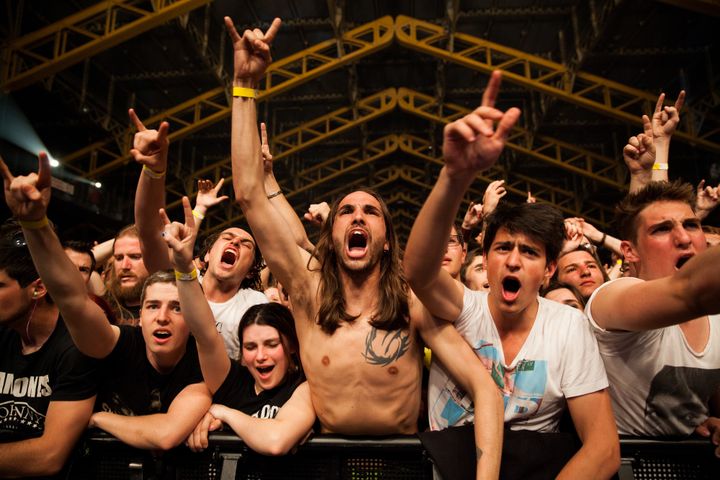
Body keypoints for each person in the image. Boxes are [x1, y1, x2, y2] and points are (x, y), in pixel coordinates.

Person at [226, 16, 502, 478]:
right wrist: (243, 87)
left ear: (388, 242)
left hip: (402, 462)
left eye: (370, 212)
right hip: (323, 459)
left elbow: (484, 389)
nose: (357, 217)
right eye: (346, 212)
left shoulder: (411, 303)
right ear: (331, 237)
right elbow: (249, 194)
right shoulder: (306, 290)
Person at [403, 70, 619, 478]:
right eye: (503, 248)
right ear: (486, 257)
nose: (514, 261)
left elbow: (604, 449)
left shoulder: (568, 328)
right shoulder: (463, 308)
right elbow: (417, 270)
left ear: (550, 269)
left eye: (530, 252)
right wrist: (454, 177)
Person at [0, 153, 211, 451]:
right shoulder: (120, 342)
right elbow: (71, 297)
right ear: (140, 316)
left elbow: (165, 434)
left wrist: (99, 418)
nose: (162, 317)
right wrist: (35, 224)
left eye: (177, 307)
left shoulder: (199, 365)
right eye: (152, 306)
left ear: (194, 318)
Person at [158, 201, 309, 455]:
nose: (260, 354)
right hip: (178, 399)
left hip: (213, 397)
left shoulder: (301, 387)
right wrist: (184, 264)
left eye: (271, 344)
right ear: (206, 254)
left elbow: (275, 442)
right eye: (250, 346)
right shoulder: (172, 293)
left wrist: (221, 411)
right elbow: (206, 333)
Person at [585, 180, 720, 453]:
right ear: (629, 251)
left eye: (691, 225)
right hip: (628, 467)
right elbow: (689, 292)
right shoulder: (611, 297)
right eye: (662, 229)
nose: (683, 238)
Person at [127, 108, 267, 361]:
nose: (235, 240)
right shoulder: (179, 284)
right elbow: (148, 231)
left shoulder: (255, 304)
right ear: (207, 256)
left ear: (250, 270)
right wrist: (155, 171)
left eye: (245, 243)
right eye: (227, 238)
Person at [0, 218, 97, 478]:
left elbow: (49, 456)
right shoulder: (4, 334)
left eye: (0, 286)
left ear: (39, 288)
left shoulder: (76, 346)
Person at [105, 225, 149, 325]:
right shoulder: (103, 307)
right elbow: (79, 263)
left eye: (135, 257)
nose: (125, 266)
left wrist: (152, 235)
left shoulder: (173, 305)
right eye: (119, 258)